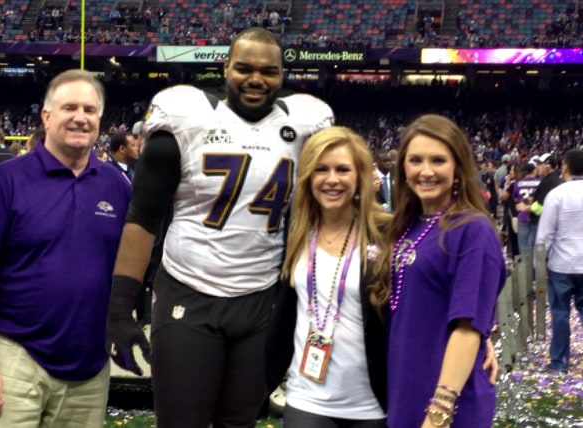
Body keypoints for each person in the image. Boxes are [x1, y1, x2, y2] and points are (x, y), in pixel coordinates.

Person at [107, 27, 334, 427]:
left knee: (239, 422)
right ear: (225, 67)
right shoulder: (187, 117)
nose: (256, 79)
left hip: (262, 300)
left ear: (283, 75)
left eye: (269, 71)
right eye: (244, 68)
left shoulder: (305, 126)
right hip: (189, 291)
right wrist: (120, 308)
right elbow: (142, 217)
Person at [0, 69, 131, 427]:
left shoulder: (117, 186)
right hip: (12, 356)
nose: (80, 117)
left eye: (90, 110)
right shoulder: (7, 180)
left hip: (89, 366)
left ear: (101, 120)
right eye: (69, 107)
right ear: (46, 116)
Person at [379, 114, 505, 428]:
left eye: (438, 160)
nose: (426, 171)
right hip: (405, 389)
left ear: (458, 167)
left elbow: (467, 327)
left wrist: (439, 411)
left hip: (447, 403)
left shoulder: (473, 230)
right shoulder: (405, 225)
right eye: (415, 160)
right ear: (403, 167)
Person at [268, 126, 391, 427]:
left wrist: (477, 336)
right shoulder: (294, 228)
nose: (332, 179)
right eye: (321, 169)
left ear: (359, 176)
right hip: (306, 398)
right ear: (308, 176)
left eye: (342, 169)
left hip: (372, 403)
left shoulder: (387, 232)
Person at [536, 149, 583, 374]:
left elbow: (544, 235)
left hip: (562, 265)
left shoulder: (557, 194)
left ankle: (559, 362)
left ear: (565, 166)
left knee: (560, 314)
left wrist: (539, 265)